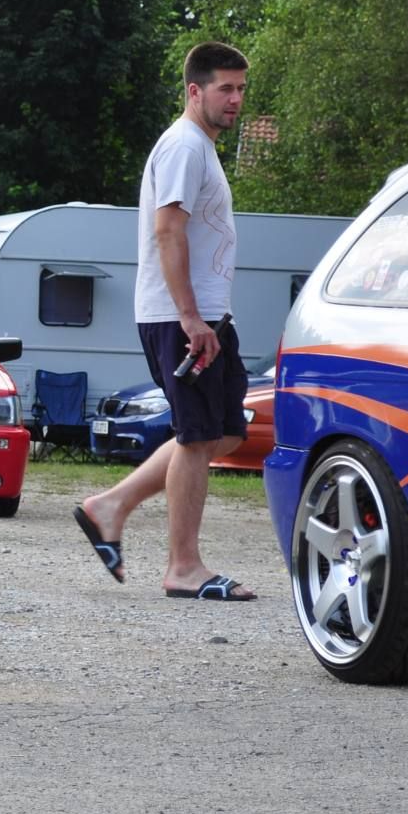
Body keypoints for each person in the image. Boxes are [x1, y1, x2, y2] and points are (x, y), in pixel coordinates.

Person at [75, 42, 256, 602]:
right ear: (194, 91)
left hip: (207, 317)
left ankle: (111, 504)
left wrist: (206, 318)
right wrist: (190, 317)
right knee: (198, 436)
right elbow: (167, 230)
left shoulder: (201, 148)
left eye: (241, 89)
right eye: (225, 88)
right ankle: (184, 567)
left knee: (225, 431)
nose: (236, 99)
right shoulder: (183, 146)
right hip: (182, 318)